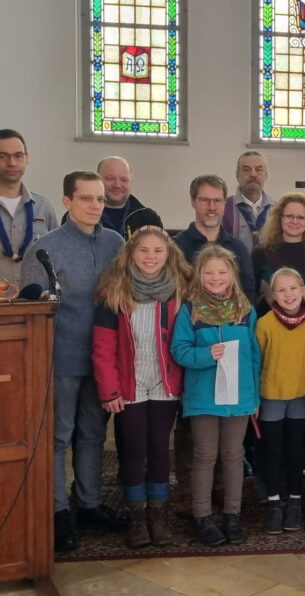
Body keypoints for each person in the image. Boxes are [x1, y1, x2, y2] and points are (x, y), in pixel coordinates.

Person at [20, 171, 126, 552]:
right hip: (60, 356)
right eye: (86, 198)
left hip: (103, 358)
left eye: (99, 199)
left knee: (93, 435)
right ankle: (57, 510)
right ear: (67, 202)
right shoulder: (44, 248)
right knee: (59, 437)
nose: (95, 205)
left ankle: (90, 503)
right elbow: (32, 309)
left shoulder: (116, 242)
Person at [92, 226, 192, 548]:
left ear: (169, 254)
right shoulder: (115, 292)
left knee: (160, 450)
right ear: (131, 254)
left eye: (158, 251)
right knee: (134, 451)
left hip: (165, 385)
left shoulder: (180, 291)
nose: (151, 257)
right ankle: (137, 517)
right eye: (144, 251)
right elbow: (103, 348)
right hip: (128, 386)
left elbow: (187, 340)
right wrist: (109, 390)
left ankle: (157, 516)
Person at [170, 244, 261, 547]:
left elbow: (255, 357)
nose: (216, 277)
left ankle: (232, 516)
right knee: (205, 456)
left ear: (232, 275)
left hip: (239, 396)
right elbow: (179, 350)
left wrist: (255, 397)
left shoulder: (246, 310)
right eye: (209, 272)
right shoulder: (190, 309)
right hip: (203, 396)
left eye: (222, 272)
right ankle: (203, 517)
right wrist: (206, 355)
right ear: (199, 275)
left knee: (234, 456)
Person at [256, 267, 305, 535]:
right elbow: (257, 362)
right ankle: (274, 503)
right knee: (272, 452)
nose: (288, 294)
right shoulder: (265, 323)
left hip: (300, 396)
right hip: (271, 397)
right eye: (281, 290)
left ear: (303, 290)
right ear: (273, 295)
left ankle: (295, 502)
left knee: (295, 453)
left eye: (293, 288)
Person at [174, 175, 256, 302]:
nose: (211, 207)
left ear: (224, 203)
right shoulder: (175, 247)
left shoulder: (238, 248)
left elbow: (248, 295)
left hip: (233, 321)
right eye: (204, 200)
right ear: (193, 202)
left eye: (217, 200)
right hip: (188, 320)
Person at [252, 191, 305, 315]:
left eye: (301, 217)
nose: (294, 221)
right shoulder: (261, 252)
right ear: (279, 217)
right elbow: (251, 293)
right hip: (267, 325)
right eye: (289, 216)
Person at [0, 128, 56, 284]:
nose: (11, 163)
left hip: (35, 303)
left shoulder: (43, 207)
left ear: (27, 158)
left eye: (18, 156)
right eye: (2, 156)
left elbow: (56, 256)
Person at [94, 156, 163, 239]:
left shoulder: (149, 219)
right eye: (110, 178)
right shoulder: (83, 216)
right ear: (97, 180)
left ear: (131, 182)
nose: (117, 185)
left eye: (124, 180)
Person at [224, 150, 275, 254]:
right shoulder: (223, 208)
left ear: (266, 175)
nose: (253, 174)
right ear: (237, 175)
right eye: (246, 169)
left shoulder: (278, 210)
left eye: (259, 169)